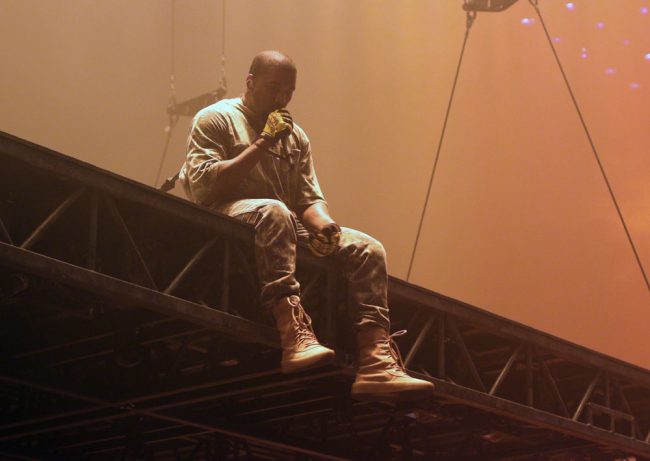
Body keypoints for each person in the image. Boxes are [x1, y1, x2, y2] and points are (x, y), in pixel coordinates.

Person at [179, 50, 433, 400]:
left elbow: (308, 199)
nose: (281, 98)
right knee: (274, 210)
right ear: (250, 82)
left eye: (289, 92)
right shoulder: (216, 118)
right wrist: (263, 142)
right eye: (274, 88)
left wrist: (324, 226)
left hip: (280, 221)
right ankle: (291, 330)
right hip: (225, 215)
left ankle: (376, 362)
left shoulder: (295, 136)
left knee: (367, 248)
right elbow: (205, 186)